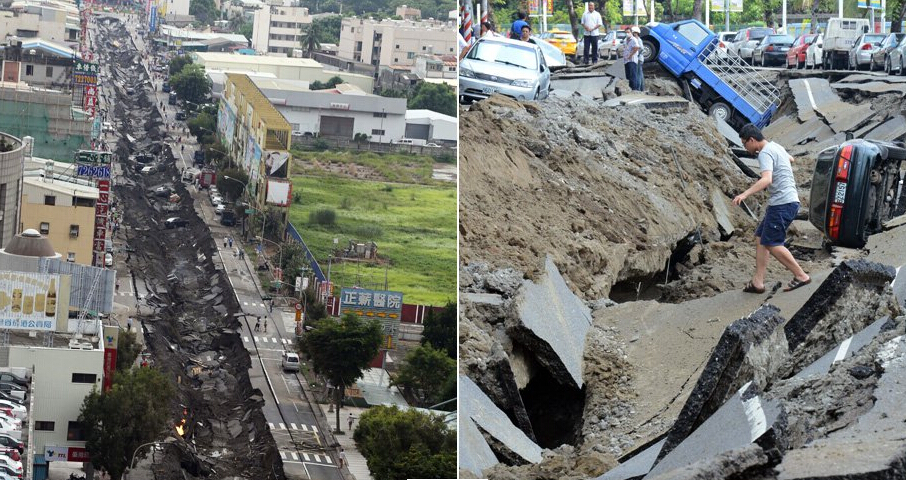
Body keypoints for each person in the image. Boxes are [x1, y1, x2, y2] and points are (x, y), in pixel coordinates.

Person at [733, 124, 811, 293]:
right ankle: (758, 282)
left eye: (745, 144)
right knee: (761, 238)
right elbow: (791, 159)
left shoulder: (765, 153)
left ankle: (801, 276)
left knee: (772, 243)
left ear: (752, 140)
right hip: (784, 202)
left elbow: (766, 179)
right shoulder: (776, 147)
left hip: (783, 204)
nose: (746, 149)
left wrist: (745, 194)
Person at [633, 27, 645, 91]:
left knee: (638, 74)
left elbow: (642, 48)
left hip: (639, 59)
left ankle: (638, 89)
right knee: (640, 74)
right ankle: (642, 88)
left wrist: (637, 54)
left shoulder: (638, 40)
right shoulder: (637, 39)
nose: (633, 34)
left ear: (637, 33)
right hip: (639, 59)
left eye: (634, 33)